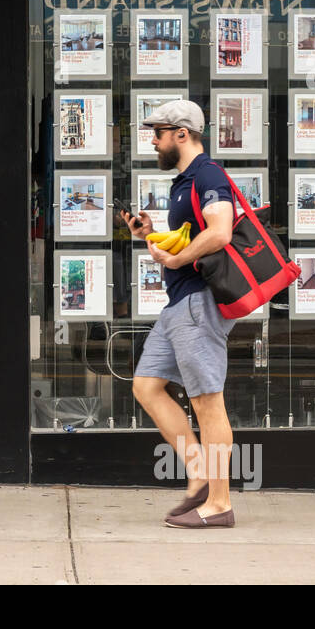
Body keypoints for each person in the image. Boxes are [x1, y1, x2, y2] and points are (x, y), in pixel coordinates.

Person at [118, 99, 240, 529]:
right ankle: (201, 476)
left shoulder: (207, 174)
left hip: (198, 303)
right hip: (178, 304)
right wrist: (151, 236)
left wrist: (177, 258)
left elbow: (221, 230)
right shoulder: (183, 181)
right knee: (147, 386)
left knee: (208, 402)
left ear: (182, 134)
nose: (153, 140)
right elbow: (190, 238)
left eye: (159, 132)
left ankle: (220, 504)